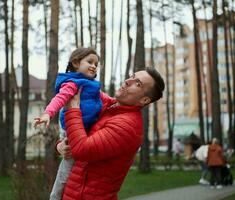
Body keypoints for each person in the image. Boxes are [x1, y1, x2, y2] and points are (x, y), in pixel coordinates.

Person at [56, 67, 165, 199]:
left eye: (137, 83)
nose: (127, 81)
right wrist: (61, 145)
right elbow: (80, 135)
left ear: (144, 100)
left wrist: (73, 110)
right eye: (132, 76)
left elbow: (82, 150)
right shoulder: (109, 108)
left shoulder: (127, 127)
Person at [34, 47, 102, 200]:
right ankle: (55, 197)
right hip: (71, 130)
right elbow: (60, 98)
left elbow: (103, 100)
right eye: (89, 62)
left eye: (96, 64)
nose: (93, 66)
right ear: (76, 63)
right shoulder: (73, 83)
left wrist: (116, 103)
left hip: (85, 128)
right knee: (67, 168)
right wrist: (47, 114)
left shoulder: (90, 85)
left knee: (77, 167)